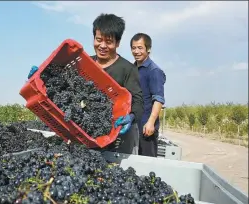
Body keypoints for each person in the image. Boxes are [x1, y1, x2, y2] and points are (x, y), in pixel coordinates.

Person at [28, 13, 143, 155]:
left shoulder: (128, 69)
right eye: (98, 39)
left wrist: (131, 116)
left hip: (113, 137)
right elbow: (62, 84)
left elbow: (138, 101)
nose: (102, 46)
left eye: (108, 42)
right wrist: (41, 77)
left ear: (117, 43)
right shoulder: (83, 63)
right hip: (82, 134)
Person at [130, 33, 166, 157]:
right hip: (133, 124)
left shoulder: (154, 71)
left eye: (140, 48)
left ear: (148, 49)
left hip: (146, 126)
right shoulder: (132, 69)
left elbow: (158, 99)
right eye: (134, 48)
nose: (136, 51)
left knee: (147, 161)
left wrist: (151, 122)